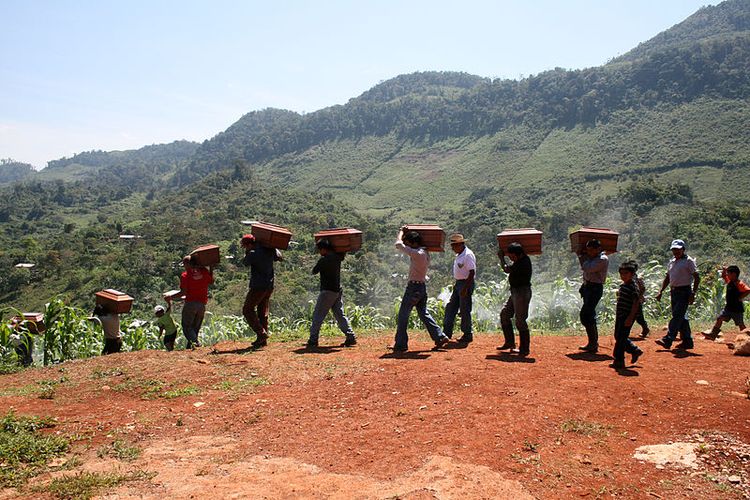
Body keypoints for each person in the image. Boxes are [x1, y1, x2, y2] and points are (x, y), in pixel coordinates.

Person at [392, 227, 450, 352]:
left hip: (413, 288)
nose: (407, 246)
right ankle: (439, 336)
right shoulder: (425, 253)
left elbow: (398, 244)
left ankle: (401, 344)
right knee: (423, 313)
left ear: (414, 243)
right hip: (422, 287)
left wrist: (401, 231)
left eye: (409, 243)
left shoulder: (417, 254)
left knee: (403, 315)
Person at [306, 239, 357, 348]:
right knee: (339, 314)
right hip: (337, 290)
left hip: (327, 291)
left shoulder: (323, 260)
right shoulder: (338, 257)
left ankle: (313, 340)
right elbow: (342, 253)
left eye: (320, 250)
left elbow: (314, 271)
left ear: (324, 249)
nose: (319, 252)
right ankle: (350, 336)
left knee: (317, 316)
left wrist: (320, 260)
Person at [655, 239, 700, 350]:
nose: (676, 252)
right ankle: (687, 341)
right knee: (681, 317)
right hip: (674, 291)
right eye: (674, 249)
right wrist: (661, 291)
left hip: (684, 291)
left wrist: (693, 293)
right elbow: (668, 277)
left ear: (683, 249)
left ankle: (668, 339)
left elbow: (697, 277)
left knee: (677, 316)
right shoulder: (672, 261)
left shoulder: (688, 261)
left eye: (678, 249)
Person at [241, 234, 282, 349]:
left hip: (258, 286)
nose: (245, 248)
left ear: (249, 245)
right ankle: (262, 340)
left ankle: (261, 333)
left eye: (245, 246)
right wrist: (273, 246)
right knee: (262, 312)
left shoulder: (252, 254)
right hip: (269, 285)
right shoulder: (269, 250)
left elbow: (244, 263)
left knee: (247, 309)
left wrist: (248, 252)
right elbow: (279, 257)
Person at [497, 242, 533, 356]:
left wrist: (502, 259)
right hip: (516, 292)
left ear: (518, 254)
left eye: (511, 256)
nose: (511, 258)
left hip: (521, 292)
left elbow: (507, 269)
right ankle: (509, 342)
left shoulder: (523, 262)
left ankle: (524, 349)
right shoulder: (520, 261)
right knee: (504, 314)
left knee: (520, 320)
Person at [442, 233, 476, 344]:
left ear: (461, 244)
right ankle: (446, 334)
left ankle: (467, 334)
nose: (452, 248)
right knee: (451, 307)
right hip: (459, 283)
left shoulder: (467, 255)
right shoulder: (460, 255)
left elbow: (472, 272)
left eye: (454, 246)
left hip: (465, 283)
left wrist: (465, 288)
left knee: (464, 309)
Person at [611, 261, 644, 370]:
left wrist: (630, 317)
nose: (623, 276)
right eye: (621, 274)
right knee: (618, 336)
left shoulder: (632, 286)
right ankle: (634, 350)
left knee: (621, 338)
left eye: (626, 274)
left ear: (632, 274)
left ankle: (619, 360)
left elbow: (636, 302)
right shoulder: (625, 285)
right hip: (621, 315)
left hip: (626, 315)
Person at [578, 239, 609, 353]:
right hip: (588, 287)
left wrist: (581, 257)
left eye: (591, 249)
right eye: (588, 249)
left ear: (598, 249)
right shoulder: (591, 259)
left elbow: (588, 268)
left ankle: (593, 343)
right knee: (589, 315)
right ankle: (592, 343)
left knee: (586, 315)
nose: (589, 252)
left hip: (595, 289)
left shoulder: (602, 259)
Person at [703, 265, 749, 340]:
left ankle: (748, 337)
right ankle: (713, 335)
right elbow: (723, 276)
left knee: (741, 325)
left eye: (729, 273)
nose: (727, 275)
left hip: (737, 310)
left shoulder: (739, 283)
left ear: (734, 274)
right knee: (719, 319)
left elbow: (748, 290)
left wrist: (740, 297)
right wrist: (724, 270)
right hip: (728, 308)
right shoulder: (729, 281)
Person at [179, 255, 214, 349]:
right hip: (202, 305)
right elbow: (211, 281)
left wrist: (170, 297)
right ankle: (190, 347)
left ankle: (196, 344)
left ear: (187, 264)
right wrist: (211, 267)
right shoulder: (204, 272)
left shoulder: (185, 275)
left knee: (187, 327)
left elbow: (183, 292)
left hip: (190, 304)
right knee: (195, 328)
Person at [632, 262, 650, 337]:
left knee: (639, 317)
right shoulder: (628, 277)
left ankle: (645, 328)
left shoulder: (637, 278)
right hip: (630, 300)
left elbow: (642, 288)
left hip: (637, 300)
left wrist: (639, 298)